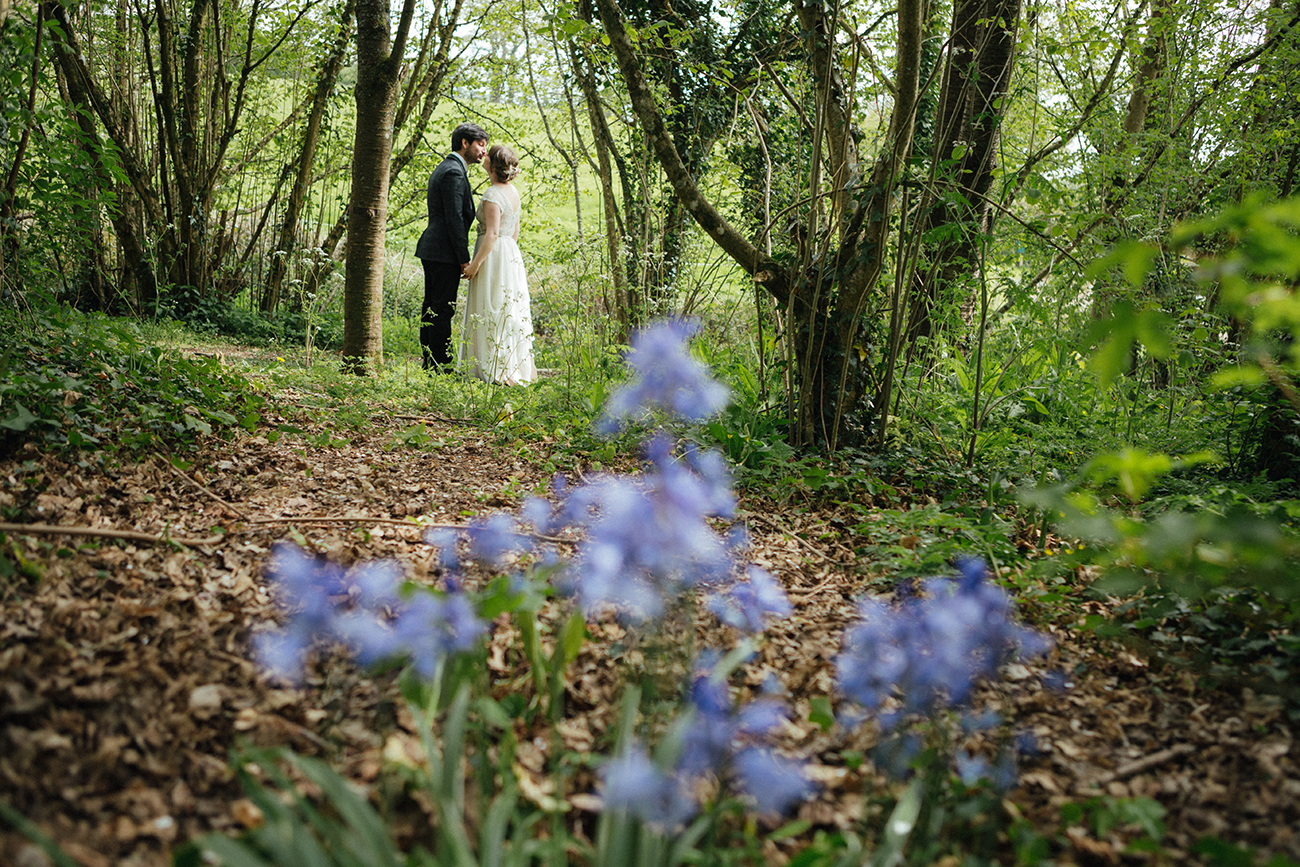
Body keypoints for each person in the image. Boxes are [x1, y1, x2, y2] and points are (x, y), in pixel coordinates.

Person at [460, 144, 537, 385]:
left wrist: (475, 265)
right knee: (505, 308)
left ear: (493, 166)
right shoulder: (513, 192)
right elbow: (514, 231)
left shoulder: (492, 195)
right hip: (509, 253)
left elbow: (492, 234)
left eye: (488, 156)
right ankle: (509, 363)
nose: (483, 157)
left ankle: (494, 366)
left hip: (492, 253)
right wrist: (508, 257)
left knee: (491, 305)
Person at [415, 122, 489, 371]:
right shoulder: (454, 172)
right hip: (443, 251)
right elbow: (454, 219)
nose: (483, 152)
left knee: (433, 307)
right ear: (464, 143)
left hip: (435, 250)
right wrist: (464, 259)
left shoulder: (450, 167)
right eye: (480, 144)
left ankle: (431, 360)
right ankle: (440, 364)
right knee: (442, 308)